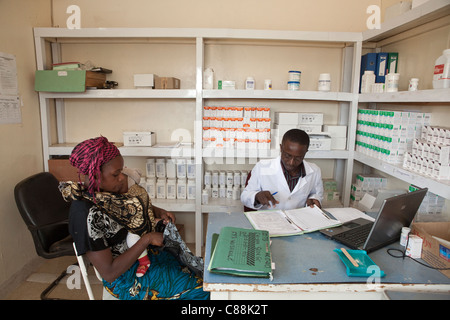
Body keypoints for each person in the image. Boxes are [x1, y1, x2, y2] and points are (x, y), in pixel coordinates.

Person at [61, 136, 209, 300]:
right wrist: (147, 239)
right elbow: (109, 273)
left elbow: (131, 208)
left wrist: (157, 211)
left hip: (146, 257)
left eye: (121, 171)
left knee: (206, 274)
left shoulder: (107, 193)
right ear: (95, 175)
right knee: (202, 291)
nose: (122, 178)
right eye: (116, 174)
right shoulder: (85, 215)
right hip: (126, 277)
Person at [241, 129, 324, 211]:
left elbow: (317, 194)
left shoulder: (314, 171)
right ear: (281, 148)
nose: (291, 162)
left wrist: (314, 199)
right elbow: (245, 196)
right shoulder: (262, 167)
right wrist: (257, 196)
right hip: (268, 220)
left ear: (305, 152)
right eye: (287, 156)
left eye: (298, 158)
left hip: (297, 220)